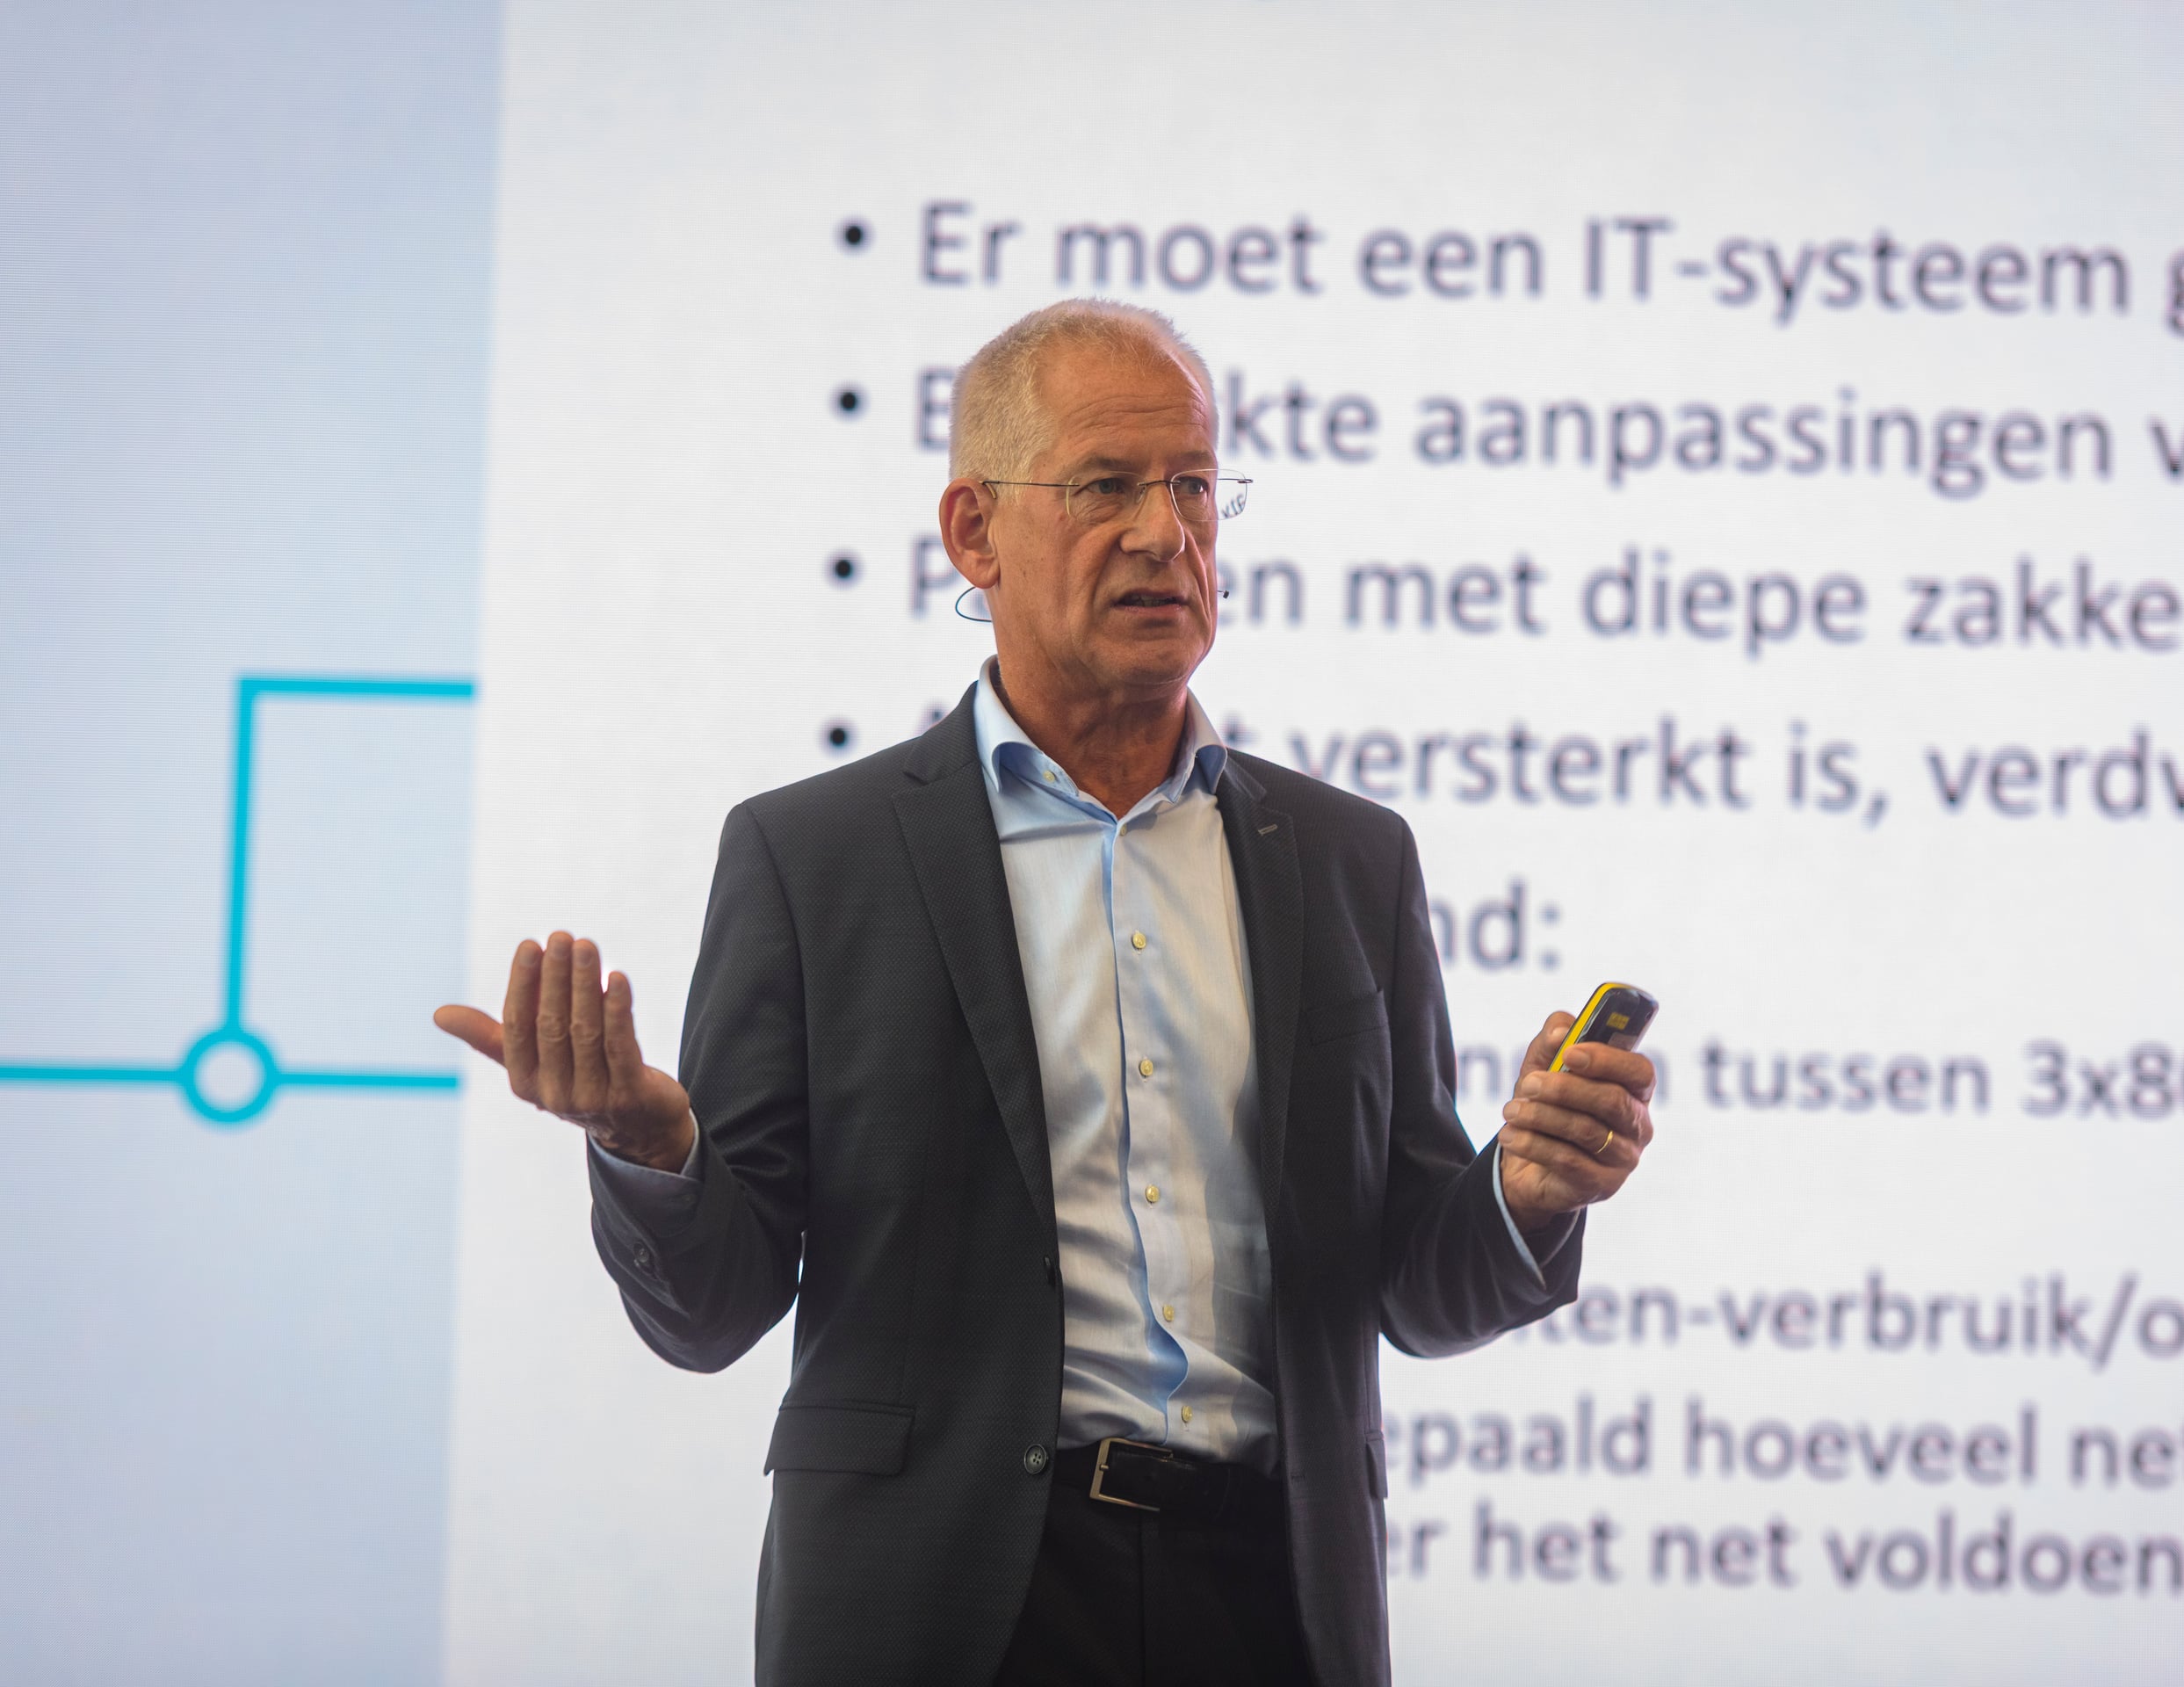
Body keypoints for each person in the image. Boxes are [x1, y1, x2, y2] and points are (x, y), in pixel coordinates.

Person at [432, 299, 1658, 1686]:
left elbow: (1419, 1292)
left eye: (1194, 485)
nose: (1165, 534)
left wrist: (1528, 1193)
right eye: (1105, 487)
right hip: (936, 1606)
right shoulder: (816, 856)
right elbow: (712, 1310)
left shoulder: (1346, 860)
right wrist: (650, 1149)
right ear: (975, 532)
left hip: (1271, 1596)